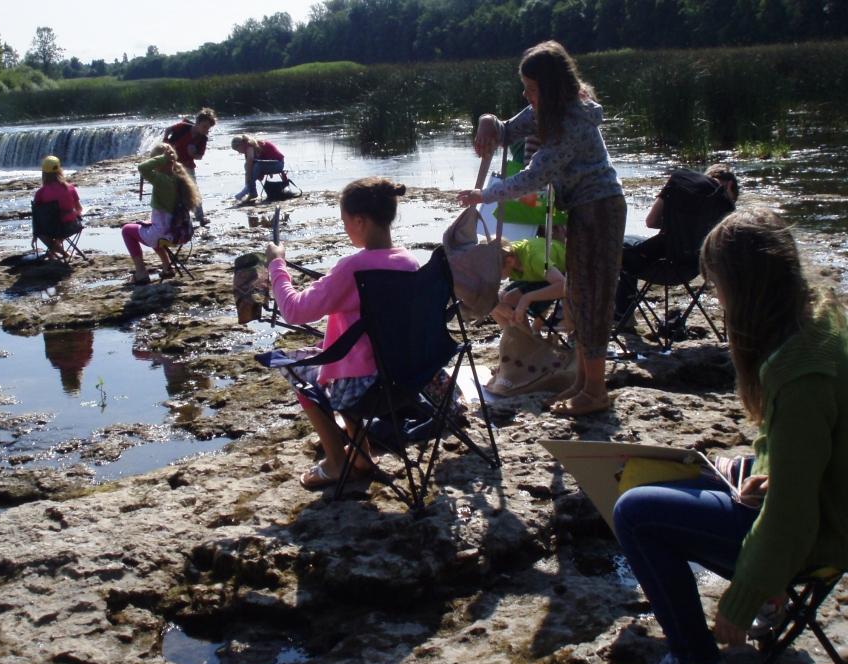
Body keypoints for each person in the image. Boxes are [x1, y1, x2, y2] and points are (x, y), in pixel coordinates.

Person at [612, 209, 848, 664]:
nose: (717, 301)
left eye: (718, 287)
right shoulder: (819, 317)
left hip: (825, 533)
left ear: (747, 287)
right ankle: (765, 595)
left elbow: (792, 515)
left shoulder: (802, 372)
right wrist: (764, 468)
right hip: (823, 501)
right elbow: (796, 455)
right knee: (674, 474)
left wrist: (741, 600)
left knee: (633, 511)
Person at [457, 40, 626, 417]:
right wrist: (487, 121)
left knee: (593, 300)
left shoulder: (573, 120)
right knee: (579, 297)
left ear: (550, 87)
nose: (525, 94)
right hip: (582, 210)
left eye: (530, 88)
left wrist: (483, 196)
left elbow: (534, 177)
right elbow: (505, 132)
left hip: (600, 210)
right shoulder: (545, 108)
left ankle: (594, 391)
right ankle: (583, 383)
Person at [266, 177, 419, 489]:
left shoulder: (352, 268)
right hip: (410, 374)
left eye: (345, 221)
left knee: (290, 364)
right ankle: (361, 454)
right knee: (339, 360)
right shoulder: (408, 261)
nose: (345, 227)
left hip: (366, 387)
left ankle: (337, 464)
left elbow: (293, 310)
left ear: (360, 221)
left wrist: (277, 266)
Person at [614, 165, 739, 325]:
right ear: (729, 186)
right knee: (633, 249)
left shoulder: (680, 182)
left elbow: (650, 222)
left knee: (623, 246)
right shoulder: (724, 204)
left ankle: (623, 314)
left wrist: (676, 224)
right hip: (692, 269)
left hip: (661, 265)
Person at [120, 143, 202, 285]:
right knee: (149, 228)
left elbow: (142, 168)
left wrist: (161, 159)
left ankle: (141, 272)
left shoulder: (162, 180)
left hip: (165, 234)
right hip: (182, 233)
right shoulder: (181, 179)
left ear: (159, 161)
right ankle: (167, 267)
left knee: (126, 230)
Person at [491, 235, 566, 330]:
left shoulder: (535, 258)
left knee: (511, 298)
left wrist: (526, 299)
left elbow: (563, 286)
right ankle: (515, 338)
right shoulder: (507, 255)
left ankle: (527, 341)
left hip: (564, 273)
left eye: (494, 272)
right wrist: (497, 306)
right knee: (497, 303)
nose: (492, 276)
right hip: (538, 275)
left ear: (509, 261)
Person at [164, 107, 216, 226]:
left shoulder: (203, 138)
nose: (206, 130)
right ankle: (175, 218)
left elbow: (200, 156)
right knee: (174, 191)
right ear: (197, 123)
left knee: (193, 191)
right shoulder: (183, 127)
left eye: (208, 128)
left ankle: (200, 217)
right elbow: (167, 130)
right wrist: (166, 143)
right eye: (204, 126)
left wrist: (193, 154)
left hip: (187, 165)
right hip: (172, 163)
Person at [32, 155, 83, 261]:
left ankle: (62, 253)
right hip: (70, 227)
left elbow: (36, 217)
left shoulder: (40, 193)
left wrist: (34, 234)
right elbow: (79, 209)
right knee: (63, 226)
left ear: (44, 173)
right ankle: (61, 250)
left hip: (51, 229)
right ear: (59, 170)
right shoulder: (70, 188)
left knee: (41, 233)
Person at [231, 134, 285, 202]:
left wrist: (249, 177)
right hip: (269, 164)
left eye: (237, 149)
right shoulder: (249, 147)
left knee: (256, 165)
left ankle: (247, 191)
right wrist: (249, 177)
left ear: (241, 145)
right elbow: (248, 166)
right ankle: (251, 192)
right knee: (248, 165)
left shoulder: (249, 146)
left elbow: (250, 162)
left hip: (278, 164)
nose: (239, 152)